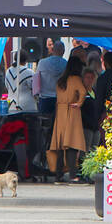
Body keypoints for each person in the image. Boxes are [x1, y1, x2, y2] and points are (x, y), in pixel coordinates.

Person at [47, 55, 87, 183]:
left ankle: (58, 175)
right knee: (72, 144)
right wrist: (79, 103)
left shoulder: (61, 80)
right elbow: (83, 92)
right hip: (71, 111)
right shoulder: (76, 79)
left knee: (60, 145)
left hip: (60, 112)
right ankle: (72, 175)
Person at [33, 39, 67, 116]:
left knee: (44, 123)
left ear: (53, 50)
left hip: (45, 98)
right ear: (63, 51)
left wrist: (36, 94)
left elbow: (36, 79)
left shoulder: (42, 62)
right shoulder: (66, 64)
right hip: (60, 99)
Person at [5, 48, 37, 114]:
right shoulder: (29, 72)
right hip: (27, 107)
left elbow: (7, 86)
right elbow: (35, 90)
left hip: (11, 106)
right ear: (26, 60)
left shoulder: (8, 71)